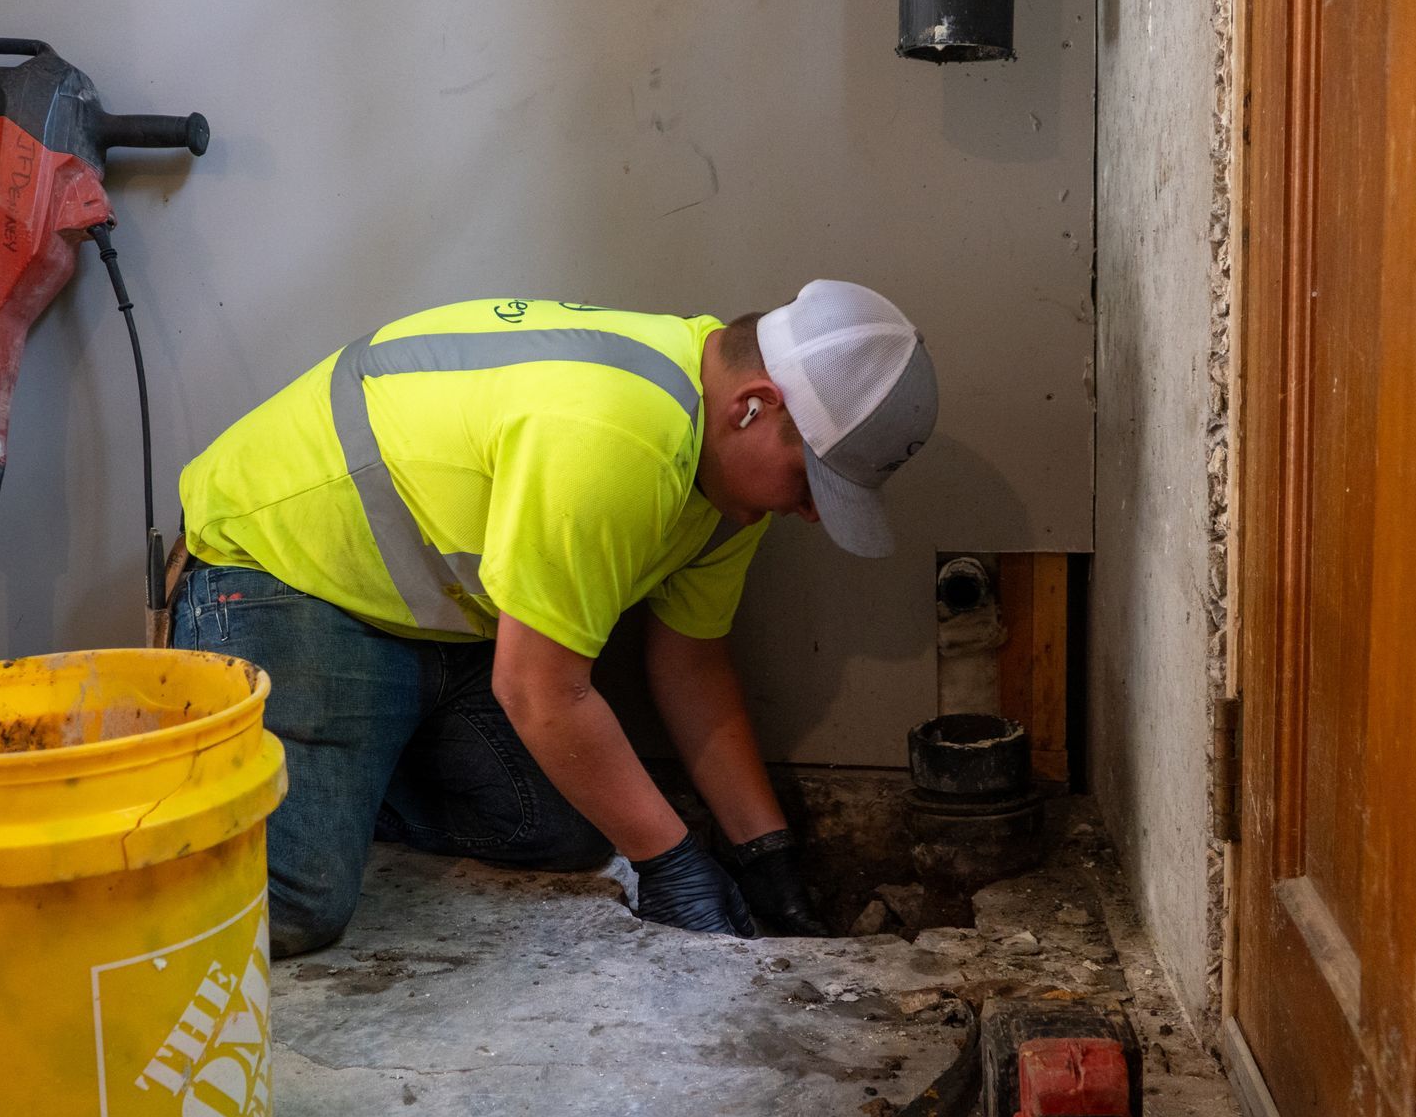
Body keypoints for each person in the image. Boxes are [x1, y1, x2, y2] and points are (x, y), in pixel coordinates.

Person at [170, 280, 937, 957]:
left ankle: (354, 770)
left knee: (565, 829)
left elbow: (691, 664)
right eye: (811, 482)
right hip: (286, 575)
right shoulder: (618, 438)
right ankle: (295, 791)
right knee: (302, 907)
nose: (808, 513)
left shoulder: (726, 487)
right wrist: (672, 865)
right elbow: (542, 691)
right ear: (754, 407)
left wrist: (767, 859)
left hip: (440, 629)